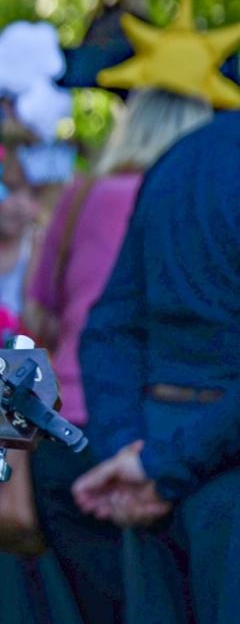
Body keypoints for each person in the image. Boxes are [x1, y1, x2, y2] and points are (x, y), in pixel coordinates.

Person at [21, 89, 211, 624]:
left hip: (62, 431)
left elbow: (38, 314)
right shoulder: (191, 203)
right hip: (159, 439)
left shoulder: (83, 196)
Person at [74, 109, 240, 623]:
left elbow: (109, 328)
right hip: (213, 465)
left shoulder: (180, 156)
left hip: (161, 455)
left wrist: (131, 453)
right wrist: (148, 465)